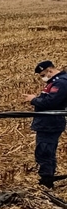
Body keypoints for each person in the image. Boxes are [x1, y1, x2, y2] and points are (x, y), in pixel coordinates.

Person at [25, 60, 67, 189]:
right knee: (44, 150)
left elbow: (50, 103)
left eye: (43, 74)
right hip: (46, 122)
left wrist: (34, 100)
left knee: (44, 151)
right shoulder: (54, 82)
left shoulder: (60, 82)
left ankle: (46, 180)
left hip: (50, 123)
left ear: (50, 70)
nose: (42, 77)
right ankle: (47, 176)